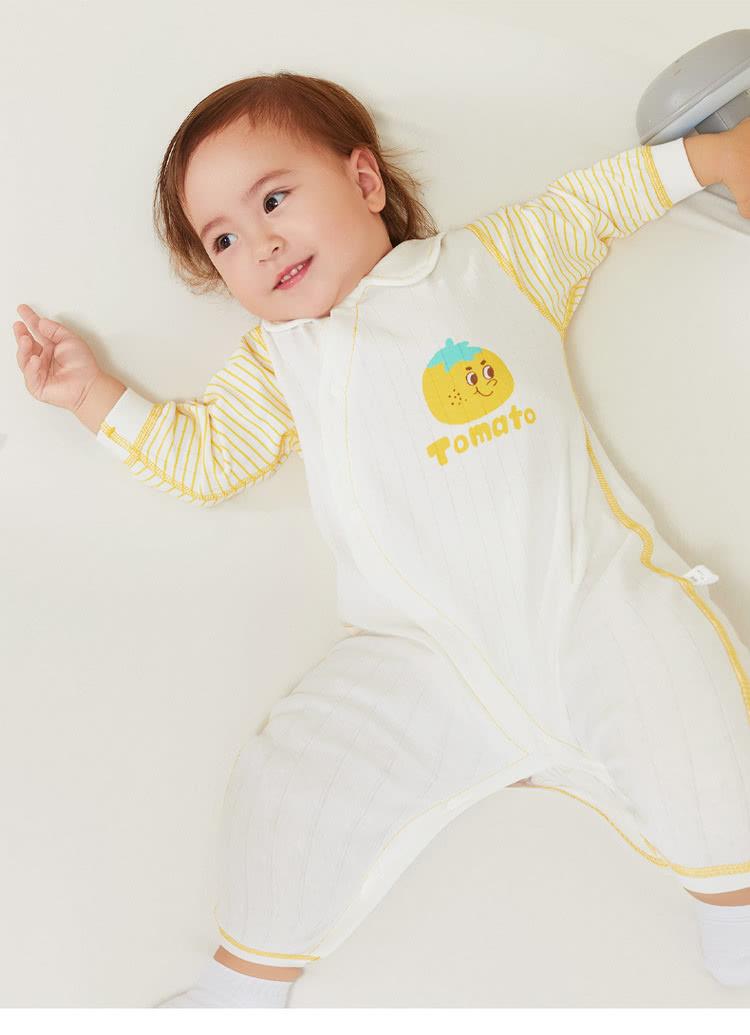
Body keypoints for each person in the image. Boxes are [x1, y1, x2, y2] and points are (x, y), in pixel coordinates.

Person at [12, 72, 750, 1006]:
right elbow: (205, 458)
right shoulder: (278, 361)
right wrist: (92, 395)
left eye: (274, 199)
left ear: (364, 182)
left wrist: (716, 155)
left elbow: (594, 202)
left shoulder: (486, 264)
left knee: (686, 700)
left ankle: (737, 918)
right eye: (223, 240)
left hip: (581, 597)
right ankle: (244, 985)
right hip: (417, 653)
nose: (260, 242)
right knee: (294, 773)